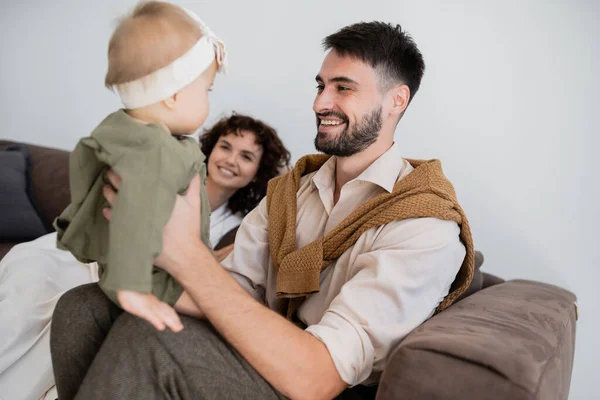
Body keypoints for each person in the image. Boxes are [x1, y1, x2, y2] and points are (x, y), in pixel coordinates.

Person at [50, 21, 475, 400]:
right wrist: (140, 258)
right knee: (82, 308)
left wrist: (187, 255)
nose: (320, 103)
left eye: (343, 88)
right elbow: (233, 292)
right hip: (260, 346)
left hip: (317, 382)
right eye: (320, 85)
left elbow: (319, 379)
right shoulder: (291, 192)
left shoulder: (425, 224)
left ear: (397, 99)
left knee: (152, 339)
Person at [0, 112, 290, 400]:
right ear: (212, 148)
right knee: (30, 293)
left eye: (246, 157)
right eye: (226, 147)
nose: (230, 160)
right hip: (97, 253)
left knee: (66, 307)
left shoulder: (242, 224)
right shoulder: (175, 169)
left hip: (137, 274)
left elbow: (208, 271)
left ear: (257, 172)